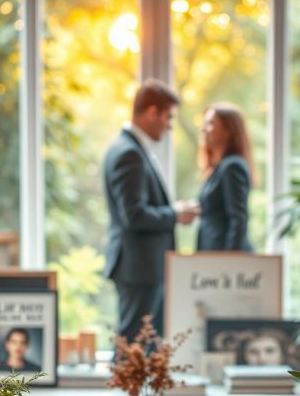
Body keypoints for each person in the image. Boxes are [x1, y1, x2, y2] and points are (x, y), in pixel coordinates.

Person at [103, 79, 198, 342]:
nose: (169, 126)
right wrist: (175, 214)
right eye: (168, 117)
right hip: (138, 267)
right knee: (132, 351)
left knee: (141, 350)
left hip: (140, 266)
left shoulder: (127, 149)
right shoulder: (128, 153)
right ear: (152, 111)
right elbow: (133, 215)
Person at [196, 103, 254, 252]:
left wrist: (228, 261)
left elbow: (238, 219)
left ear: (228, 130)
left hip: (224, 262)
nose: (203, 129)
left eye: (210, 124)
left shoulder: (232, 167)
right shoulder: (217, 169)